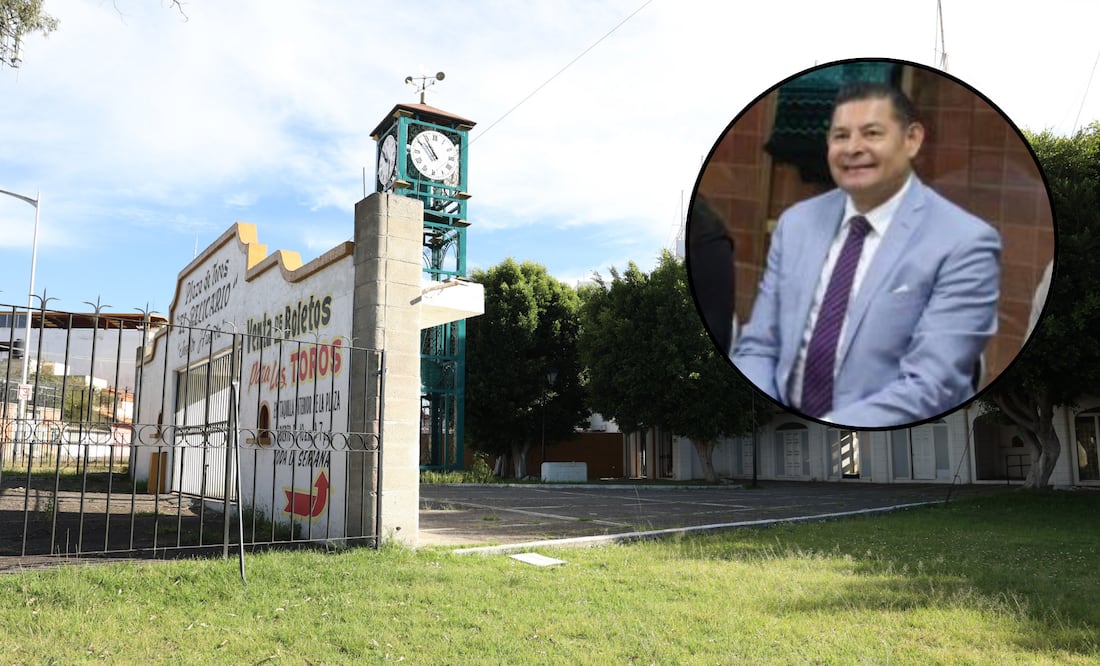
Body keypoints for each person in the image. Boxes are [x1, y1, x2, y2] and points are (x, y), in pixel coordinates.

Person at [732, 81, 1001, 428]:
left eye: (872, 133)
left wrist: (824, 430)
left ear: (912, 139)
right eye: (841, 136)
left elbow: (931, 385)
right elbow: (759, 346)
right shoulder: (795, 223)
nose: (853, 148)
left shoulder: (965, 241)